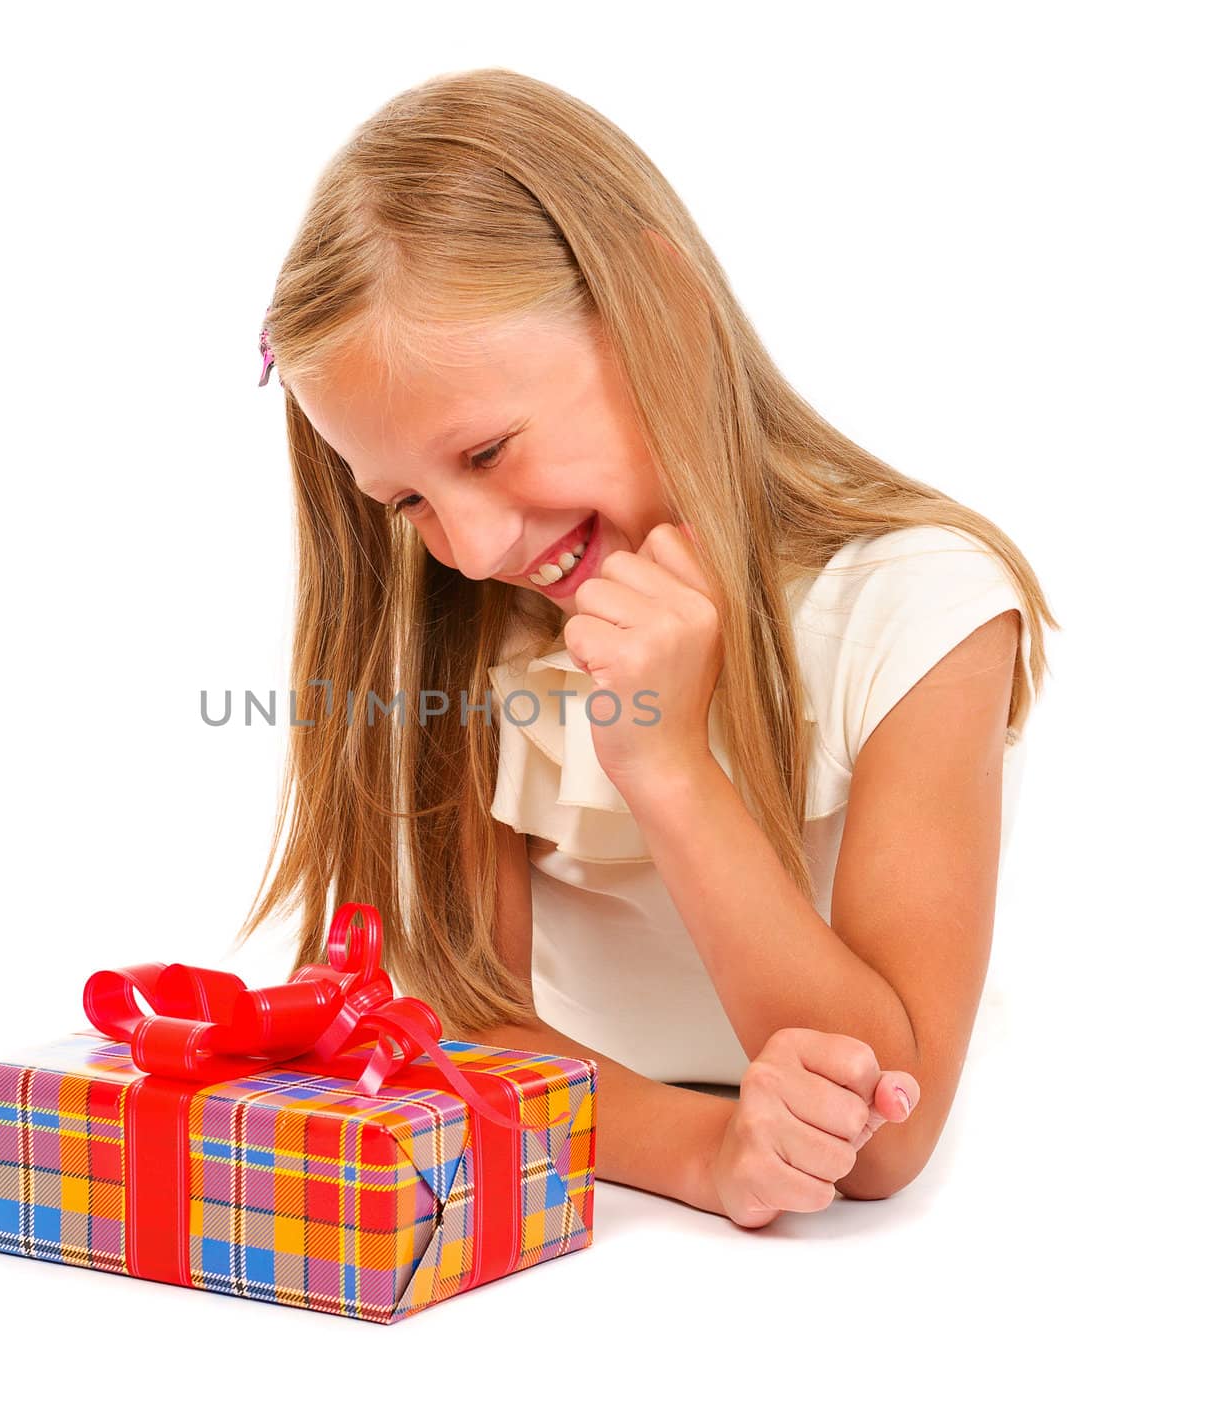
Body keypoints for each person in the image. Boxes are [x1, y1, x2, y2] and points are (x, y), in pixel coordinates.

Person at [236, 68, 1057, 1229]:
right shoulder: (473, 631)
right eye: (405, 500)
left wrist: (666, 762)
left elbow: (883, 1117)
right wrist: (704, 1149)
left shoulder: (920, 610)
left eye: (485, 451)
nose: (468, 549)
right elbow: (461, 1019)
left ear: (658, 306)